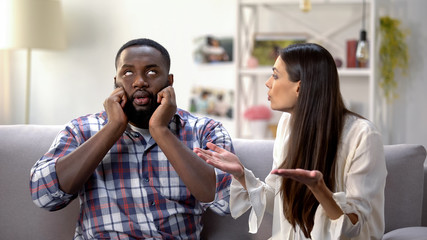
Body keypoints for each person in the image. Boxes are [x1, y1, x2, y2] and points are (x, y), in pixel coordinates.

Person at [30, 38, 233, 239]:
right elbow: (44, 197)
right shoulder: (81, 130)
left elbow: (227, 202)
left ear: (169, 82)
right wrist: (113, 127)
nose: (139, 82)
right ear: (116, 83)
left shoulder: (205, 130)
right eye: (128, 73)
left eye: (152, 72)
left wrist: (160, 130)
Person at [194, 43, 387, 239]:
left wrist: (319, 189)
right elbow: (277, 203)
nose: (268, 83)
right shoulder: (287, 124)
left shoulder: (363, 136)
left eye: (276, 75)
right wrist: (243, 175)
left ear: (299, 87)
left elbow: (353, 228)